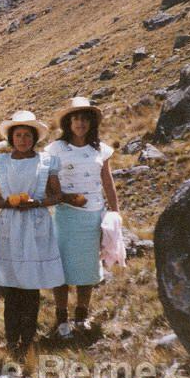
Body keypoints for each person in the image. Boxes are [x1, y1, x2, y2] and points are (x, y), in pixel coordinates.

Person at [0, 111, 65, 356]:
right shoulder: (0, 163)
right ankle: (11, 339)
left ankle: (28, 338)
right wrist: (8, 204)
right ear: (11, 138)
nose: (22, 139)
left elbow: (57, 195)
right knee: (12, 285)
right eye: (18, 135)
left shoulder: (46, 162)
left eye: (27, 135)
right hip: (10, 224)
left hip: (36, 223)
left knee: (31, 284)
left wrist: (37, 203)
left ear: (34, 138)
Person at [46, 97, 120, 337]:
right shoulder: (55, 149)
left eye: (84, 119)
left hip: (93, 215)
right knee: (62, 268)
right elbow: (48, 183)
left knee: (87, 267)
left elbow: (107, 182)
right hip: (66, 215)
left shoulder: (100, 149)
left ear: (91, 123)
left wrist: (115, 212)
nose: (80, 123)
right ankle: (61, 318)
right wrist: (64, 197)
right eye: (76, 118)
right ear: (68, 122)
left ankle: (81, 315)